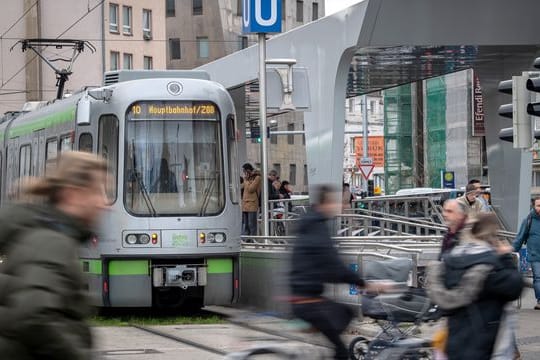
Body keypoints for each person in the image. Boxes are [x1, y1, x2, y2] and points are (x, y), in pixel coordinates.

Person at [0, 151, 108, 359]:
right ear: (74, 194)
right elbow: (34, 315)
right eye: (98, 192)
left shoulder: (48, 235)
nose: (104, 203)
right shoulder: (52, 243)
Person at [289, 184, 389, 360]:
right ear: (326, 203)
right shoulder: (317, 228)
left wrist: (350, 280)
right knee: (344, 326)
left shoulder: (309, 223)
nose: (340, 206)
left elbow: (326, 266)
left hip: (301, 295)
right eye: (337, 202)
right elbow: (333, 266)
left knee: (338, 320)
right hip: (308, 300)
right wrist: (363, 284)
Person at [427, 213, 524, 360]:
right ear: (493, 234)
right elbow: (515, 287)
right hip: (485, 342)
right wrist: (505, 257)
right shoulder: (492, 264)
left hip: (454, 342)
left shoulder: (451, 259)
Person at [513, 196, 540, 310]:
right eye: (538, 205)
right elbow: (520, 237)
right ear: (534, 206)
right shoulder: (529, 220)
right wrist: (512, 251)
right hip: (535, 255)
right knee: (538, 278)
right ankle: (539, 301)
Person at [241, 163, 261, 236]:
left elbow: (251, 189)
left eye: (244, 171)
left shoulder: (257, 177)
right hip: (245, 204)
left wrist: (246, 180)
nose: (244, 173)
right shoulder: (247, 178)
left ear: (248, 170)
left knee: (251, 224)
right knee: (245, 224)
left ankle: (253, 240)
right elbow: (241, 187)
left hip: (252, 203)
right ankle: (246, 240)